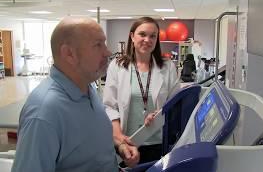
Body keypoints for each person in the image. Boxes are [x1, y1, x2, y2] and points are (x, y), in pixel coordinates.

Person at [12, 17, 139, 172]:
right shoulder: (43, 114)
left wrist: (119, 145)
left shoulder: (87, 87)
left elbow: (85, 139)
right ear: (69, 54)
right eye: (98, 45)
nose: (108, 52)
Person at [103, 17, 180, 164]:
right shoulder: (117, 66)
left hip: (159, 143)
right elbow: (110, 106)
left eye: (153, 36)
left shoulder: (167, 67)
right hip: (128, 143)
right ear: (132, 36)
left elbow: (175, 102)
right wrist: (119, 138)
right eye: (142, 34)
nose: (147, 39)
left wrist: (160, 113)